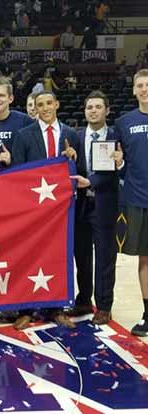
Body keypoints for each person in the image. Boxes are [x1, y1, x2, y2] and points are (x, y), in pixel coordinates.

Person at [11, 91, 79, 330]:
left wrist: (74, 158)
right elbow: (18, 173)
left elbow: (79, 169)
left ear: (57, 104)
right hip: (33, 208)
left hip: (62, 208)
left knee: (59, 256)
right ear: (35, 109)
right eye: (40, 105)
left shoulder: (71, 134)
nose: (46, 108)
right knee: (29, 254)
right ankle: (26, 309)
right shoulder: (23, 135)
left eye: (49, 103)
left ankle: (56, 308)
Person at [67, 91, 119, 325]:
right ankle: (84, 300)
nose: (94, 111)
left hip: (105, 203)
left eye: (98, 107)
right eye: (90, 107)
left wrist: (121, 161)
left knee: (105, 257)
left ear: (107, 110)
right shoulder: (75, 137)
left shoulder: (116, 137)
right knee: (82, 256)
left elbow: (120, 169)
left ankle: (104, 305)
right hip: (79, 205)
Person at [114, 69, 148, 336]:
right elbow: (121, 167)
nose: (144, 89)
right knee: (145, 259)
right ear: (134, 90)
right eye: (140, 85)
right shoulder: (124, 122)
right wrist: (120, 163)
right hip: (138, 199)